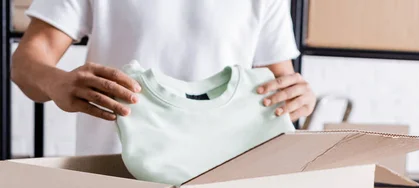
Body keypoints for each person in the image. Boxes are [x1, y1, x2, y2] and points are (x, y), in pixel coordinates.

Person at [11, 0, 316, 156]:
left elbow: (279, 83)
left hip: (218, 182)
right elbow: (27, 62)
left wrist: (298, 96)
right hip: (111, 178)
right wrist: (56, 82)